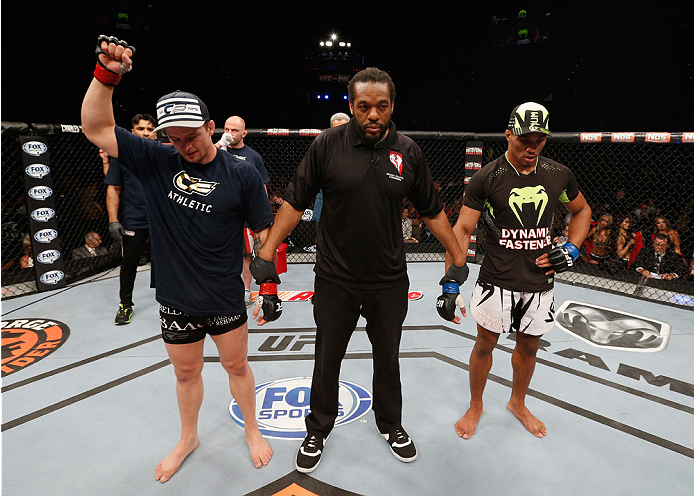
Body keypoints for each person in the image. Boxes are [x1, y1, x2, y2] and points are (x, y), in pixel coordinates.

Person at [249, 67, 467, 473]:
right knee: (327, 358)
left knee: (388, 359)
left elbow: (432, 210)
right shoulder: (327, 145)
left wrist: (457, 258)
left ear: (392, 107)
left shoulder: (408, 151)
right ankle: (317, 429)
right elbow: (295, 203)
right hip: (336, 278)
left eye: (381, 107)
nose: (373, 115)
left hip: (388, 279)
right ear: (351, 106)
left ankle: (390, 424)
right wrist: (265, 254)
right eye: (364, 107)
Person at [80, 35, 274, 482]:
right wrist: (106, 77)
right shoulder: (155, 159)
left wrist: (266, 284)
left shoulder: (241, 172)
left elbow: (264, 231)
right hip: (176, 295)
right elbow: (95, 128)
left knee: (237, 366)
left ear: (210, 126)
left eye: (191, 136)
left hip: (225, 293)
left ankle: (252, 430)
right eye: (175, 139)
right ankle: (188, 438)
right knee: (186, 375)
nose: (184, 146)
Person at [441, 102, 591, 440]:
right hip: (497, 278)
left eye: (539, 140)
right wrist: (451, 283)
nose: (531, 147)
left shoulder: (558, 174)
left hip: (539, 281)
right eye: (525, 139)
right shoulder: (487, 177)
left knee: (529, 347)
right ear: (508, 135)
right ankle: (476, 404)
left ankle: (517, 402)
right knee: (485, 343)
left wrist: (572, 248)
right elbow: (462, 229)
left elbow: (581, 211)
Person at [104, 113, 157, 325]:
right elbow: (114, 188)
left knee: (169, 261)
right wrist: (113, 219)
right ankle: (125, 304)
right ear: (132, 131)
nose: (145, 132)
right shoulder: (121, 156)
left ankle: (173, 301)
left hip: (162, 218)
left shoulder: (162, 153)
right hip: (134, 218)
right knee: (129, 264)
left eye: (149, 129)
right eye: (141, 129)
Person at [216, 115, 271, 308]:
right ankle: (222, 289)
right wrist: (218, 146)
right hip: (219, 212)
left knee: (247, 255)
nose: (229, 134)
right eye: (227, 129)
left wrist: (263, 216)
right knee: (220, 252)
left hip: (244, 213)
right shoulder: (215, 151)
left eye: (234, 130)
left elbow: (262, 187)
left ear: (244, 133)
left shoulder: (253, 157)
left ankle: (246, 291)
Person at [305, 113, 350, 254]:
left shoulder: (357, 146)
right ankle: (321, 247)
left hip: (349, 193)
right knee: (320, 220)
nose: (339, 132)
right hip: (326, 189)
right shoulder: (321, 145)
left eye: (343, 128)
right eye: (335, 128)